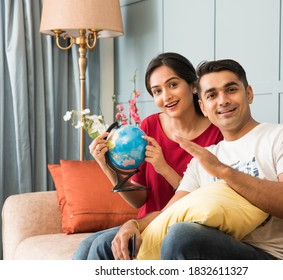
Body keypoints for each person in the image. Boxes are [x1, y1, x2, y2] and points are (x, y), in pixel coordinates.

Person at [88, 58, 283, 260]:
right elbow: (170, 211)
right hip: (212, 243)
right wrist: (135, 225)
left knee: (182, 235)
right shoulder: (202, 158)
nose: (222, 101)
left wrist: (224, 172)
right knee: (103, 243)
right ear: (203, 105)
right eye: (212, 95)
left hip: (271, 255)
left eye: (231, 90)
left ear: (248, 93)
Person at [72, 52, 223, 259]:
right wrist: (107, 166)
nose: (166, 96)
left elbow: (204, 202)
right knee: (87, 245)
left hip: (181, 229)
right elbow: (139, 200)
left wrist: (164, 168)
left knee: (101, 245)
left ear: (193, 86)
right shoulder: (150, 125)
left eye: (172, 85)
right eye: (157, 91)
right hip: (147, 223)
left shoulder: (217, 133)